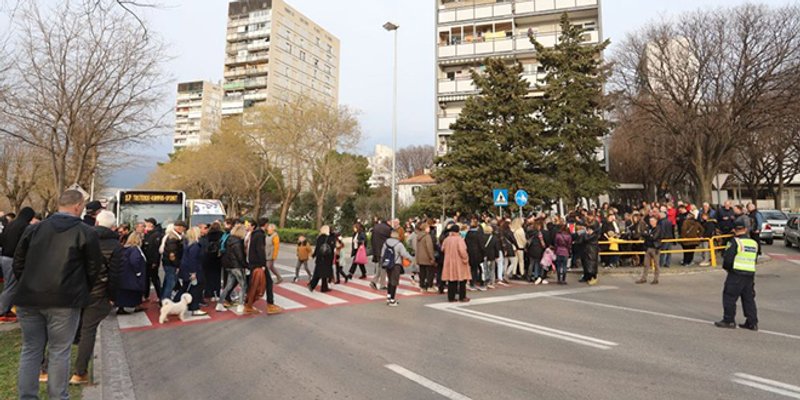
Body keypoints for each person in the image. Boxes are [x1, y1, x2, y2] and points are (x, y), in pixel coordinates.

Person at [13, 190, 103, 399]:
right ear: (78, 206)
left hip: (29, 297)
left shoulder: (34, 229)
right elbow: (93, 268)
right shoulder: (85, 232)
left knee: (31, 349)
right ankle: (57, 396)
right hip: (65, 299)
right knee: (59, 351)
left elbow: (18, 262)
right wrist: (82, 289)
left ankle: (27, 396)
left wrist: (27, 284)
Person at [70, 210, 122, 385]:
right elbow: (115, 275)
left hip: (76, 290)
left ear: (96, 223)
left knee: (65, 328)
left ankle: (50, 367)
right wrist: (112, 297)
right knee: (88, 331)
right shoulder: (115, 245)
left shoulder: (82, 237)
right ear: (113, 226)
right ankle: (80, 372)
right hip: (99, 293)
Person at [714, 220, 759, 331]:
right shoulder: (753, 243)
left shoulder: (734, 242)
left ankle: (729, 320)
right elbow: (755, 259)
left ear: (734, 230)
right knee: (748, 298)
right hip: (749, 274)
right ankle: (752, 322)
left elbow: (727, 260)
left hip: (736, 274)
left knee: (729, 297)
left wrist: (729, 269)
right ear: (745, 229)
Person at [0, 206, 35, 323]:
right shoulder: (25, 227)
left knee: (9, 285)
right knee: (12, 287)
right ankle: (1, 310)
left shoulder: (10, 224)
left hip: (4, 256)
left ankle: (7, 308)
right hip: (13, 258)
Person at [248, 218, 282, 314]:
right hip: (259, 263)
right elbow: (260, 250)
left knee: (254, 284)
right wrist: (263, 264)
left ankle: (248, 304)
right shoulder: (260, 235)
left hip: (253, 262)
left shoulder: (254, 233)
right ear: (266, 224)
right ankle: (270, 305)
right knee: (268, 283)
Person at [216, 224, 249, 312]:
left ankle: (220, 304)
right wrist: (246, 265)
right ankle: (240, 305)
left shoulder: (228, 239)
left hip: (228, 266)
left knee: (228, 285)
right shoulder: (238, 242)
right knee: (243, 285)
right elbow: (240, 256)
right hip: (236, 266)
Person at [115, 231, 147, 315]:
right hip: (132, 274)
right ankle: (136, 305)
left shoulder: (124, 249)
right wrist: (138, 272)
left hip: (124, 273)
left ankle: (121, 307)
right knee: (136, 290)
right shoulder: (135, 249)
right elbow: (134, 260)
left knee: (123, 291)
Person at [178, 227, 207, 316]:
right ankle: (195, 308)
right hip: (194, 270)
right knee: (196, 288)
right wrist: (193, 272)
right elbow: (193, 260)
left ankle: (175, 303)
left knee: (185, 288)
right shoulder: (195, 246)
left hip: (186, 269)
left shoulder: (187, 244)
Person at [380, 230, 413, 306]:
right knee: (394, 282)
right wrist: (412, 259)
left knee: (389, 280)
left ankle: (388, 297)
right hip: (396, 264)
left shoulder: (385, 243)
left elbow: (382, 254)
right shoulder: (399, 244)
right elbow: (404, 254)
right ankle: (392, 300)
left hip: (387, 264)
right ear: (397, 236)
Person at [441, 224, 471, 303]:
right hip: (459, 262)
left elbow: (442, 249)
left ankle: (451, 297)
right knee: (462, 280)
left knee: (451, 280)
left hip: (449, 262)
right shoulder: (459, 239)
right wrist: (466, 259)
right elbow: (462, 251)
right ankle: (462, 296)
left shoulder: (447, 239)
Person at [160, 221, 186, 302]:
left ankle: (163, 299)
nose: (182, 229)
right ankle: (166, 300)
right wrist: (177, 264)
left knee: (167, 281)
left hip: (168, 262)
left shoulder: (175, 236)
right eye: (181, 227)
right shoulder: (173, 238)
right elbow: (172, 254)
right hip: (171, 264)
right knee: (171, 283)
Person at [141, 218, 163, 302]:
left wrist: (155, 261)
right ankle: (146, 295)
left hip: (152, 260)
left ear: (151, 224)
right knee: (146, 278)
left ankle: (160, 296)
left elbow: (155, 249)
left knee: (154, 278)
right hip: (147, 259)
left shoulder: (156, 235)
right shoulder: (148, 234)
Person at [309, 225, 336, 293]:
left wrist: (313, 255)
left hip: (319, 258)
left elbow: (317, 248)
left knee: (320, 272)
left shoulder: (319, 238)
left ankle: (322, 287)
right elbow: (332, 248)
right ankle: (313, 285)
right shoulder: (330, 238)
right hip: (327, 258)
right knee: (323, 273)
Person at [636, 216, 663, 285]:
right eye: (650, 221)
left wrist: (647, 235)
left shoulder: (658, 228)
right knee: (646, 264)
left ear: (656, 221)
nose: (651, 222)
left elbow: (654, 237)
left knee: (656, 264)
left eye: (652, 221)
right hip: (648, 247)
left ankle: (656, 279)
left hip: (655, 248)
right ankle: (643, 278)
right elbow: (645, 234)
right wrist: (648, 235)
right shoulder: (649, 228)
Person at [201, 222, 224, 301]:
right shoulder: (222, 235)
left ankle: (208, 293)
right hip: (217, 258)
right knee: (217, 277)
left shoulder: (207, 235)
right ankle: (217, 293)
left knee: (208, 277)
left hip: (208, 258)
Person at [370, 218, 392, 290]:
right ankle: (382, 285)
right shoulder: (388, 229)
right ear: (388, 221)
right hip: (385, 251)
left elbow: (372, 239)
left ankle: (374, 281)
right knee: (384, 267)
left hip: (377, 250)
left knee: (381, 266)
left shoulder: (376, 227)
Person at [414, 223, 436, 292]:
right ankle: (429, 286)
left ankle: (422, 286)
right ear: (425, 228)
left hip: (420, 257)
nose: (429, 229)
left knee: (422, 273)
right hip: (427, 257)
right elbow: (429, 248)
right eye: (428, 227)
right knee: (430, 272)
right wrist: (432, 257)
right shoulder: (427, 236)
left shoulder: (418, 236)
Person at [465, 218, 485, 290]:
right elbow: (481, 245)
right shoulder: (478, 234)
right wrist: (483, 253)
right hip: (477, 253)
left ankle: (471, 281)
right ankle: (475, 281)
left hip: (469, 252)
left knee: (471, 268)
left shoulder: (468, 234)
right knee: (476, 268)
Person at [527, 220, 547, 285]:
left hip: (531, 249)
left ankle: (529, 276)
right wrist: (544, 246)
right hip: (538, 249)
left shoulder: (530, 232)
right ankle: (536, 276)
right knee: (537, 263)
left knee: (531, 263)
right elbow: (542, 242)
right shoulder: (539, 233)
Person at [483, 225, 501, 289]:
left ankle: (486, 280)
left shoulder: (481, 237)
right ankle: (491, 282)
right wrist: (497, 255)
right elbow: (496, 248)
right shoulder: (494, 238)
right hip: (491, 255)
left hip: (484, 255)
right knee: (492, 269)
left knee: (485, 268)